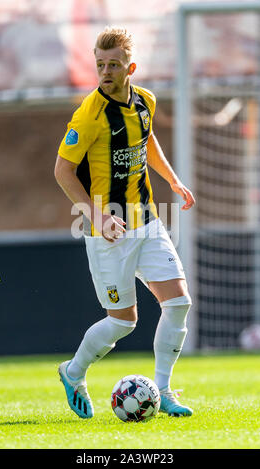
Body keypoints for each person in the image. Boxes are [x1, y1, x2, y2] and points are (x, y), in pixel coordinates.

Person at [54, 26, 196, 419]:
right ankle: (73, 371)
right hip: (107, 230)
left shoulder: (144, 102)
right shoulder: (89, 114)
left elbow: (146, 141)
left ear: (129, 67)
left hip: (147, 222)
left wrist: (173, 179)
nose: (105, 71)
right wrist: (97, 216)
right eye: (100, 64)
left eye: (113, 64)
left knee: (179, 303)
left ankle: (164, 392)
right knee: (123, 323)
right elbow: (63, 171)